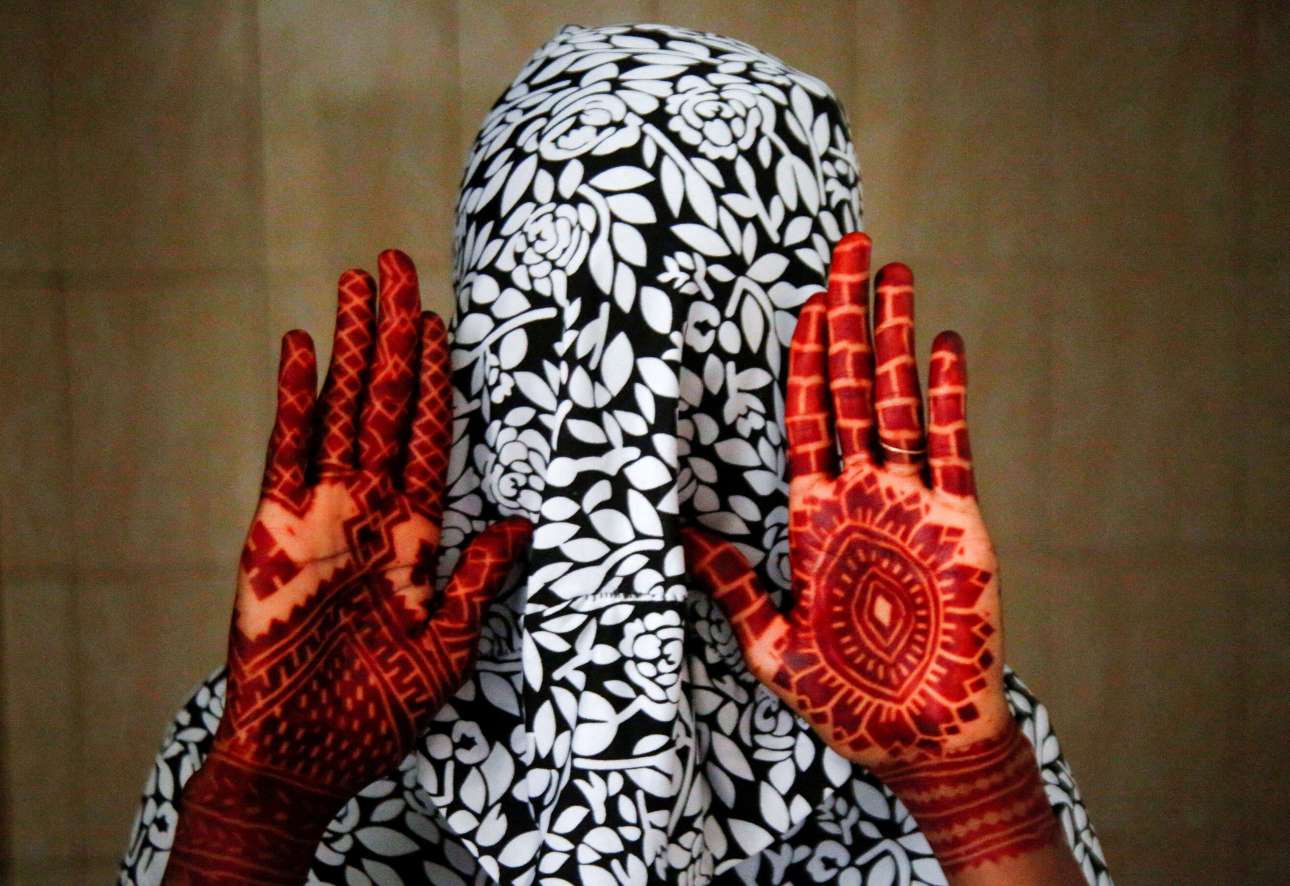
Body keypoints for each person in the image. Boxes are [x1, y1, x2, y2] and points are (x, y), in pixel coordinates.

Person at [120, 22, 1112, 885]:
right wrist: (266, 797)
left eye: (700, 342)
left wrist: (968, 787)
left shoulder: (947, 725)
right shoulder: (278, 728)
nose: (633, 436)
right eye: (566, 333)